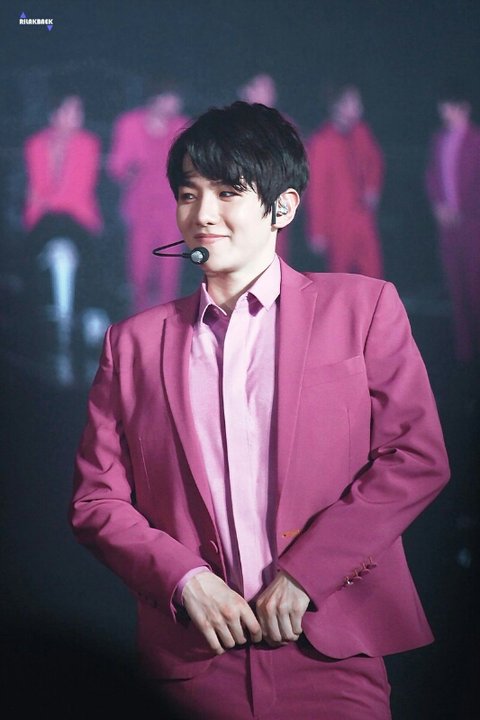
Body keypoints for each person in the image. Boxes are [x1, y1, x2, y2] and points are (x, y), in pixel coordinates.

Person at [69, 101, 450, 720]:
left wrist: (305, 576)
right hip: (194, 661)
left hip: (331, 651)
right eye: (188, 194)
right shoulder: (132, 344)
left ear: (284, 207)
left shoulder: (363, 308)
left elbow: (415, 456)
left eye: (227, 192)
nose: (202, 214)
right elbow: (96, 501)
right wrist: (183, 580)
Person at [23, 93, 104, 352]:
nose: (77, 117)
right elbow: (37, 186)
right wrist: (42, 199)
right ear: (54, 114)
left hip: (78, 214)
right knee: (32, 252)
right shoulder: (35, 144)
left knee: (86, 250)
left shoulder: (88, 144)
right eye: (70, 111)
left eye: (79, 112)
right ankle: (46, 314)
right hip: (44, 217)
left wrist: (45, 198)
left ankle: (88, 311)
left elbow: (79, 189)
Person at [107, 84, 189, 313]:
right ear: (156, 98)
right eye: (171, 98)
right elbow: (116, 167)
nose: (176, 104)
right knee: (139, 275)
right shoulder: (130, 124)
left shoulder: (183, 126)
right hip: (140, 209)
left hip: (172, 211)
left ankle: (168, 326)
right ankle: (139, 325)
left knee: (168, 278)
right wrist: (130, 170)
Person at [425, 82, 480, 368]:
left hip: (473, 226)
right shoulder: (439, 140)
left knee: (475, 286)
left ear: (463, 108)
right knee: (456, 286)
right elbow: (432, 177)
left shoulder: (476, 141)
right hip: (448, 228)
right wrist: (439, 206)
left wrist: (466, 212)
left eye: (449, 106)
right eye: (443, 106)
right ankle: (465, 351)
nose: (444, 111)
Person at [305, 82, 385, 277]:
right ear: (338, 106)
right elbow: (316, 190)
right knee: (340, 278)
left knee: (373, 275)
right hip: (337, 223)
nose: (359, 108)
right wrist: (317, 231)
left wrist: (373, 187)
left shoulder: (361, 132)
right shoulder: (321, 142)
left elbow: (375, 161)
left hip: (363, 217)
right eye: (353, 103)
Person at [237, 73, 298, 263]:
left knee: (275, 257)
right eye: (261, 88)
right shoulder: (233, 127)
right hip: (242, 204)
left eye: (270, 89)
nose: (267, 93)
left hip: (275, 201)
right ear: (246, 91)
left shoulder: (285, 126)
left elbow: (296, 168)